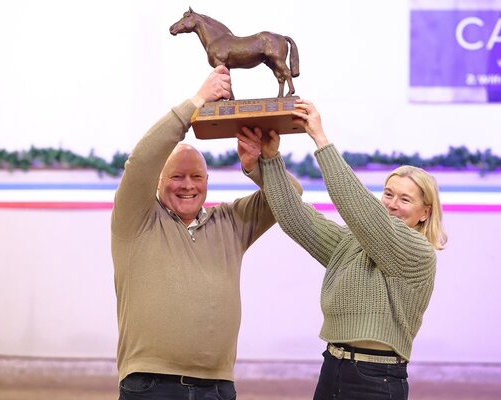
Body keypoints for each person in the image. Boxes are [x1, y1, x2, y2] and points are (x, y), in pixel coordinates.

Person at [111, 65, 301, 400]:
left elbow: (290, 196)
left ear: (207, 182)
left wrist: (263, 163)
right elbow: (140, 162)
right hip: (150, 385)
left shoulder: (230, 222)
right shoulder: (136, 220)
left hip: (217, 387)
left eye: (196, 177)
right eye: (177, 176)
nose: (188, 185)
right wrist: (197, 102)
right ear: (158, 182)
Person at [247, 98, 447, 400]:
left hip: (376, 379)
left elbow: (357, 206)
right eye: (388, 194)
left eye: (405, 199)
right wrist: (270, 159)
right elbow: (295, 219)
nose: (392, 204)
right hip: (333, 366)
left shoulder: (417, 252)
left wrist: (320, 138)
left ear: (425, 213)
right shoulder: (355, 243)